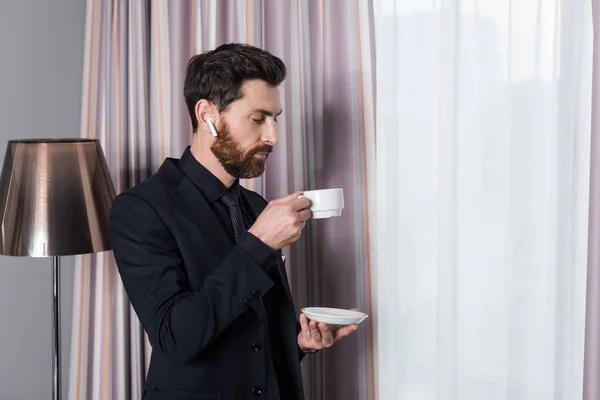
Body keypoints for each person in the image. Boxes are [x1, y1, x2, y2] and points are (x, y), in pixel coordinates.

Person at [109, 43, 359, 400]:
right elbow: (175, 338)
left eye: (275, 119)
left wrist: (301, 343)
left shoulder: (255, 206)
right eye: (258, 119)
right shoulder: (141, 208)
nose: (272, 136)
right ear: (207, 114)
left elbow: (252, 336)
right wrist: (259, 243)